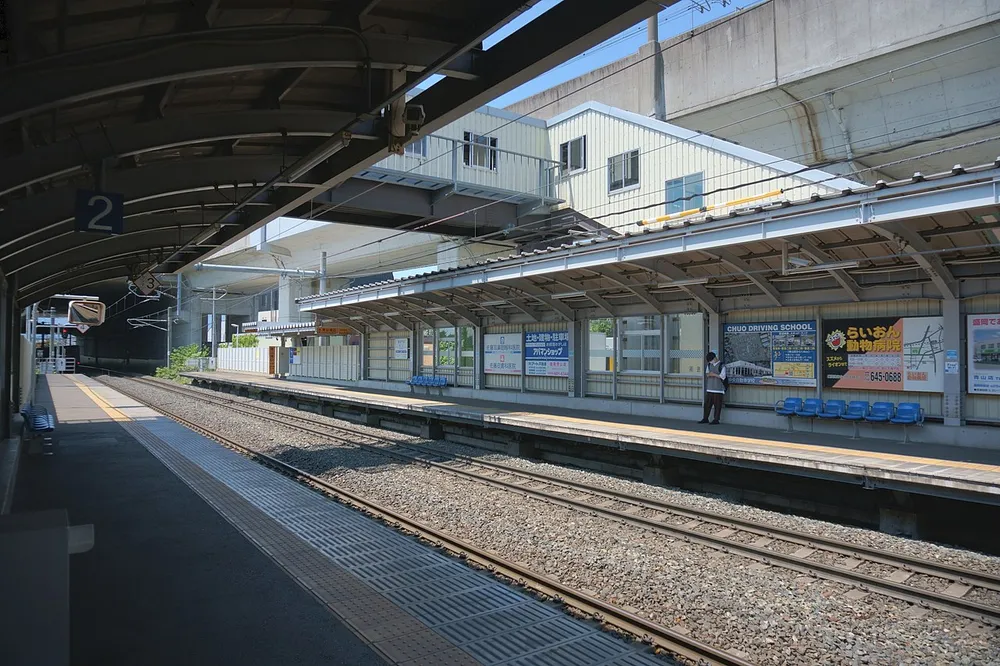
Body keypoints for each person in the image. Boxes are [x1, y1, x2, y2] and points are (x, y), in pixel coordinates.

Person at [699, 351, 726, 425]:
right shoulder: (709, 365)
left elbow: (723, 376)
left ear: (715, 358)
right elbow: (707, 373)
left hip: (718, 389)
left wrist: (713, 374)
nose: (711, 362)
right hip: (710, 388)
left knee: (717, 405)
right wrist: (710, 374)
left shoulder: (722, 365)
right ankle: (705, 418)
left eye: (711, 360)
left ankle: (716, 419)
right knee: (707, 404)